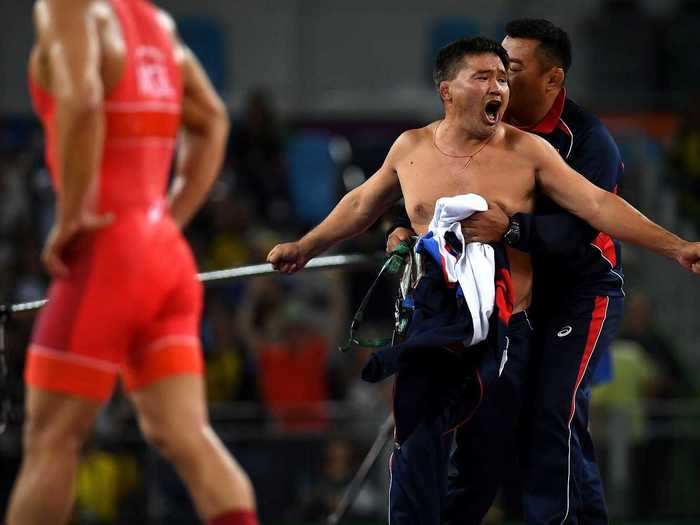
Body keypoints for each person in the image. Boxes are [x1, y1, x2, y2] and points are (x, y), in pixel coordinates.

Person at [267, 36, 700, 525]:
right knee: (415, 454)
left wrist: (677, 246)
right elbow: (360, 205)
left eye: (502, 77)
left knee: (483, 465)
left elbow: (599, 204)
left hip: (506, 329)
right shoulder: (410, 147)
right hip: (430, 327)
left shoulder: (528, 151)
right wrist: (306, 246)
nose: (499, 87)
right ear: (447, 90)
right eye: (483, 77)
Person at [6, 1, 257, 525]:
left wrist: (72, 214)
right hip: (164, 257)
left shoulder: (67, 9)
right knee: (185, 435)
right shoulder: (156, 24)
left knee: (51, 439)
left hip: (106, 257)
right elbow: (211, 118)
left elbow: (81, 100)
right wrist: (168, 221)